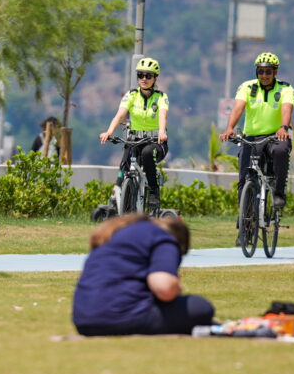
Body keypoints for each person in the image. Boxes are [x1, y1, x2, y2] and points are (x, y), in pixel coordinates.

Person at [71, 213, 214, 337]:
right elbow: (164, 289)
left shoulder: (117, 234)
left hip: (83, 319)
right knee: (201, 306)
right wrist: (176, 289)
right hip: (122, 316)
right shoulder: (164, 239)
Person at [221, 52, 294, 210]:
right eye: (261, 71)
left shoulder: (285, 88)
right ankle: (244, 228)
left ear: (275, 72)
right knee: (244, 178)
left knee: (281, 151)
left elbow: (286, 109)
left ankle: (278, 193)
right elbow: (238, 108)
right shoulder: (247, 87)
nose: (264, 75)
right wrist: (229, 128)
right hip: (252, 138)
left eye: (268, 71)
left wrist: (283, 127)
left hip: (276, 136)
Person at [100, 56, 170, 214]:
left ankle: (153, 191)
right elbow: (119, 115)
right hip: (135, 141)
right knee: (124, 163)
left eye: (148, 76)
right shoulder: (131, 95)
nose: (144, 79)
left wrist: (161, 131)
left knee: (146, 153)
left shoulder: (161, 97)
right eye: (141, 75)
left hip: (155, 142)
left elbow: (162, 116)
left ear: (154, 78)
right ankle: (123, 199)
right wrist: (109, 132)